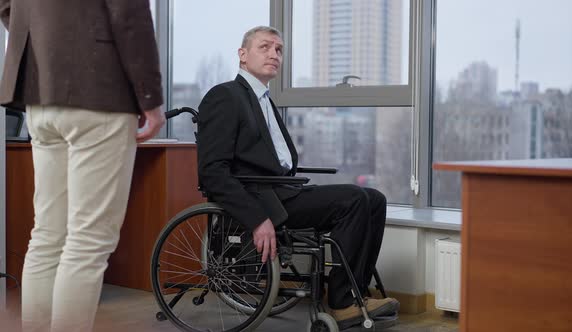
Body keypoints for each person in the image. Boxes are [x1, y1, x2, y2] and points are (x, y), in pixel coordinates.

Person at [197, 25, 399, 330]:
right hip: (262, 200)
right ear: (242, 55)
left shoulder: (263, 100)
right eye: (264, 47)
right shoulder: (225, 96)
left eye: (278, 50)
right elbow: (213, 172)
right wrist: (256, 219)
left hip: (282, 190)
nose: (274, 54)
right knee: (355, 199)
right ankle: (343, 302)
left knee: (375, 199)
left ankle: (357, 293)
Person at [0, 1, 165, 331]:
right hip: (99, 91)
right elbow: (130, 15)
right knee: (87, 242)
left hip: (39, 92)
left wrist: (48, 41)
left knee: (47, 235)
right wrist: (151, 100)